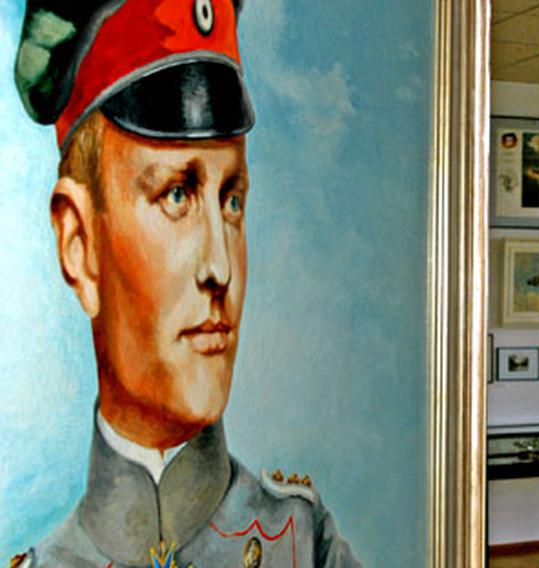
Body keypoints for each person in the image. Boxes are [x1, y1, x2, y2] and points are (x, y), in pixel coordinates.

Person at [9, 1, 359, 566]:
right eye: (177, 193)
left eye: (232, 200)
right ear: (79, 244)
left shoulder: (303, 543)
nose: (220, 267)